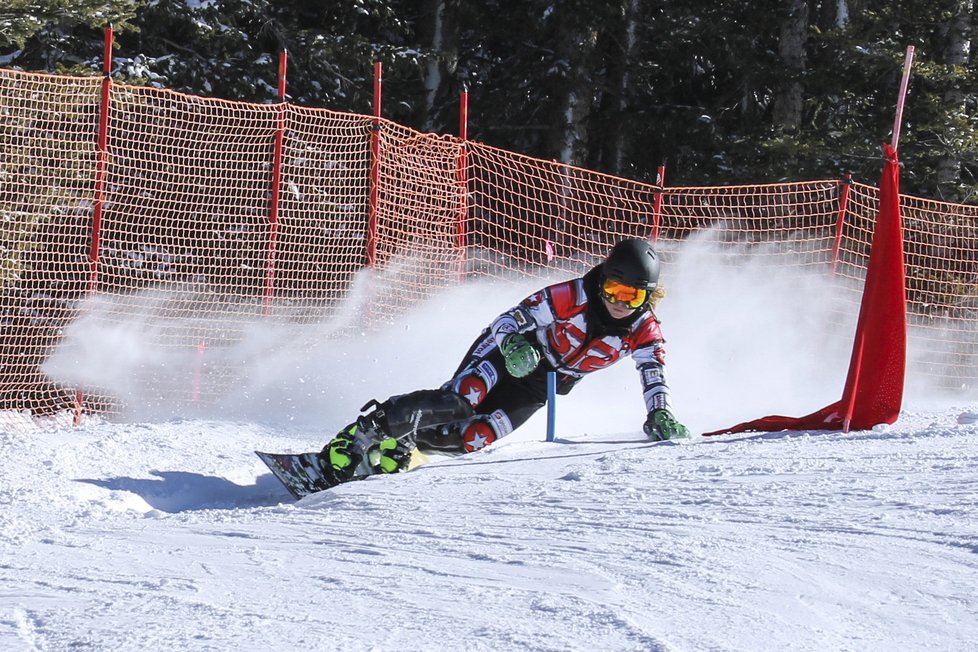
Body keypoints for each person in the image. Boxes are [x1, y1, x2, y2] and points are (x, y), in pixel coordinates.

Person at [320, 237, 690, 485]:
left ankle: (405, 445)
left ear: (649, 296)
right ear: (602, 281)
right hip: (505, 356)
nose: (619, 303)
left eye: (632, 295)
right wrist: (513, 345)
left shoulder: (644, 330)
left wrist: (660, 414)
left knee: (475, 437)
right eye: (613, 289)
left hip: (536, 387)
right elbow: (507, 319)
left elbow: (653, 374)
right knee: (457, 403)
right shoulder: (570, 296)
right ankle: (362, 435)